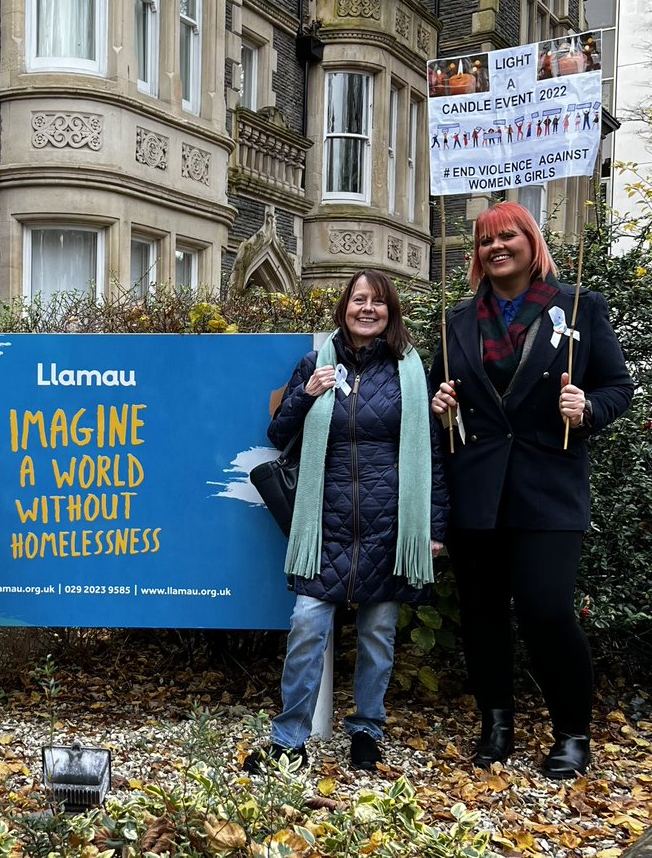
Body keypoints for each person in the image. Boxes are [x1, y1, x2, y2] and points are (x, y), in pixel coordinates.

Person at [430, 202, 632, 778]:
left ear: (532, 242)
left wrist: (587, 407)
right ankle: (496, 724)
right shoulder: (457, 320)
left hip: (548, 487)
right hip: (477, 489)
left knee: (547, 610)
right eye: (485, 241)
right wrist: (439, 402)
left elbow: (618, 387)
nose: (496, 247)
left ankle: (572, 732)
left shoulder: (580, 306)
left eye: (508, 236)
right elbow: (440, 390)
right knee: (482, 614)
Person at [245, 270, 447, 773]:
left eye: (378, 301)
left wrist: (434, 526)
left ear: (390, 312)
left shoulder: (408, 369)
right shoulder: (316, 363)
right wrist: (306, 393)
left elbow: (431, 454)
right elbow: (278, 433)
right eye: (359, 299)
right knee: (307, 625)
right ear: (344, 307)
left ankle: (366, 731)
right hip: (325, 522)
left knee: (378, 633)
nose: (367, 308)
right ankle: (289, 739)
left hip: (390, 524)